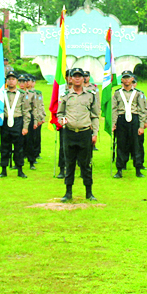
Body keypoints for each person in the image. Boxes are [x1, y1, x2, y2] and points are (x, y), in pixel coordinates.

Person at [51, 68, 100, 201]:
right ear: (70, 79)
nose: (77, 78)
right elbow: (60, 113)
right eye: (75, 76)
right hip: (69, 133)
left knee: (86, 164)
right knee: (70, 163)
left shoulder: (90, 95)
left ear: (84, 78)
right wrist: (62, 120)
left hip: (84, 133)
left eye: (80, 76)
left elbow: (95, 115)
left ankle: (89, 192)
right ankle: (68, 192)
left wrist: (95, 133)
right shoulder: (65, 95)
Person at [111, 72, 147, 178]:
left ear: (132, 79)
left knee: (136, 145)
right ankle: (119, 169)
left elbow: (142, 109)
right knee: (121, 145)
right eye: (124, 78)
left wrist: (141, 126)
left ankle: (138, 169)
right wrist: (113, 123)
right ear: (122, 80)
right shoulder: (117, 93)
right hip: (121, 119)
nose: (126, 80)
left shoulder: (138, 93)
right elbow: (114, 109)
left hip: (134, 119)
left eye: (128, 78)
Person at [0, 71, 31, 178]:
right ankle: (3, 169)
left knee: (19, 147)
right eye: (9, 79)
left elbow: (26, 111)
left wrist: (25, 127)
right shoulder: (2, 94)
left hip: (17, 122)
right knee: (4, 147)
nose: (11, 81)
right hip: (5, 122)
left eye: (13, 79)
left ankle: (20, 169)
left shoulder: (22, 94)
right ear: (6, 81)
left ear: (16, 81)